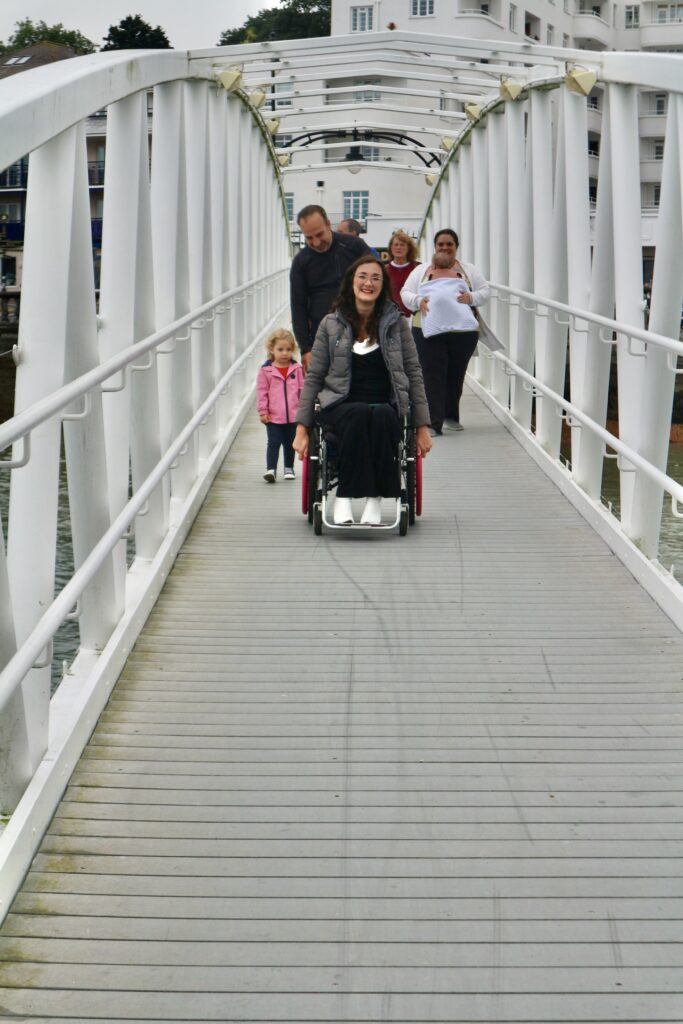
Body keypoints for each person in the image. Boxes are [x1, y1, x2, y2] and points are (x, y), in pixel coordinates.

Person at [293, 255, 432, 525]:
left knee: (381, 416)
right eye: (362, 276)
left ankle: (373, 500)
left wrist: (422, 427)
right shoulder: (330, 325)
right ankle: (344, 497)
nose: (368, 282)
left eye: (376, 277)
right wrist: (301, 428)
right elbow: (314, 377)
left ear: (383, 286)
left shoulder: (397, 325)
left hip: (386, 403)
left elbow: (414, 373)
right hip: (340, 404)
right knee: (357, 413)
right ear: (351, 282)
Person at [401, 229, 489, 435]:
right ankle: (433, 421)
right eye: (441, 244)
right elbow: (405, 292)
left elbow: (485, 292)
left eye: (449, 244)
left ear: (456, 247)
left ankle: (451, 415)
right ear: (435, 246)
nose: (445, 247)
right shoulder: (421, 270)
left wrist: (471, 298)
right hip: (426, 330)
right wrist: (418, 301)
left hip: (463, 332)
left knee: (455, 373)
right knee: (431, 373)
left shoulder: (470, 270)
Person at [290, 205, 370, 371]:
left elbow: (378, 283)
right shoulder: (301, 262)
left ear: (328, 224)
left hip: (362, 332)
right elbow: (298, 306)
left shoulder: (355, 246)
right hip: (323, 338)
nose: (316, 243)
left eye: (319, 234)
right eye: (309, 238)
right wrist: (306, 349)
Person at [256, 328, 305, 483]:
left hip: (293, 415)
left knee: (290, 443)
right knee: (274, 442)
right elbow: (261, 392)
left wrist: (303, 410)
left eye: (288, 349)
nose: (285, 353)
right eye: (280, 349)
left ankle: (289, 468)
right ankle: (271, 469)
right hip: (273, 416)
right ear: (272, 349)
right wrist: (263, 411)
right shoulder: (266, 371)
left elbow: (302, 390)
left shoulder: (297, 369)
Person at [385, 229, 420, 317]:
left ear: (408, 248)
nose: (398, 247)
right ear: (391, 248)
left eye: (402, 245)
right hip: (390, 316)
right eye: (396, 245)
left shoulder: (418, 268)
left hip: (414, 316)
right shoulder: (383, 270)